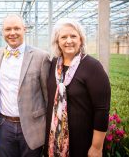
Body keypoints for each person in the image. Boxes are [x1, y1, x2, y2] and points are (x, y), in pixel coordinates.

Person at [45, 18, 111, 157]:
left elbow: (102, 110)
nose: (69, 40)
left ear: (81, 40)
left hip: (83, 143)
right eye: (64, 37)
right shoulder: (53, 65)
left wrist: (96, 147)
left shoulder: (92, 67)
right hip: (55, 140)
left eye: (73, 36)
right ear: (58, 41)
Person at [0, 14, 50, 157]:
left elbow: (48, 96)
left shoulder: (41, 57)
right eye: (8, 29)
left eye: (17, 28)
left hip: (32, 126)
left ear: (24, 29)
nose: (12, 33)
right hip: (3, 125)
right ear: (3, 31)